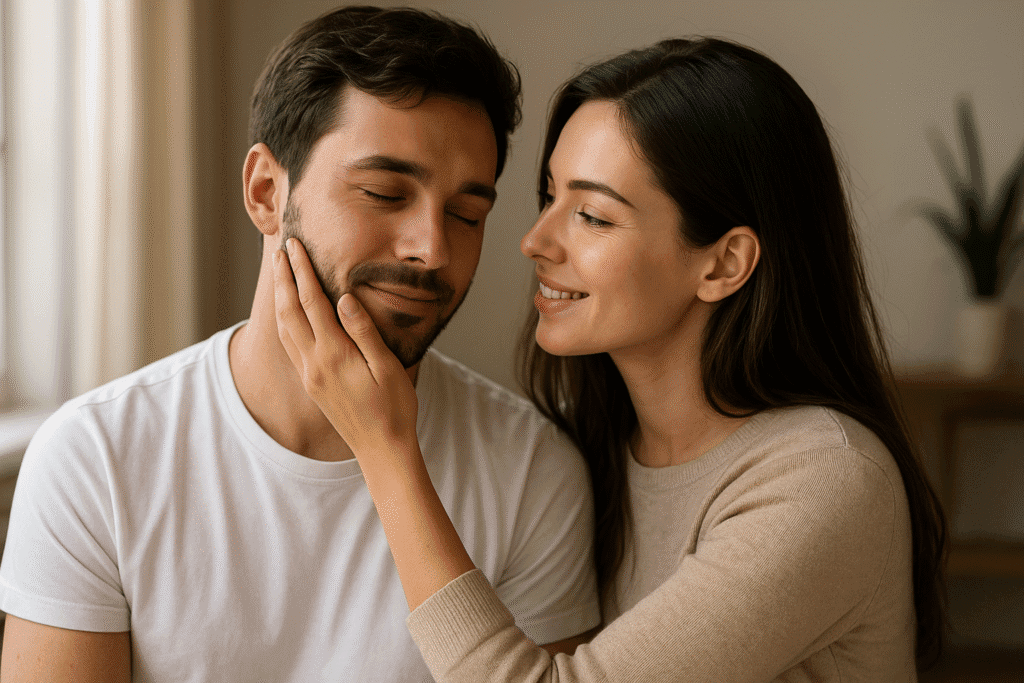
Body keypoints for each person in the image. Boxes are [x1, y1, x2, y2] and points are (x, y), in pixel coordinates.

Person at [272, 36, 948, 681]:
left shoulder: (825, 479)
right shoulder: (587, 446)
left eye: (593, 216)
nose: (535, 240)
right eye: (549, 196)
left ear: (723, 263)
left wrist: (385, 445)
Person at [0, 7, 601, 681]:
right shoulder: (95, 459)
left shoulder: (531, 471)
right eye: (384, 193)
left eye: (466, 214)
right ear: (265, 192)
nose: (432, 249)